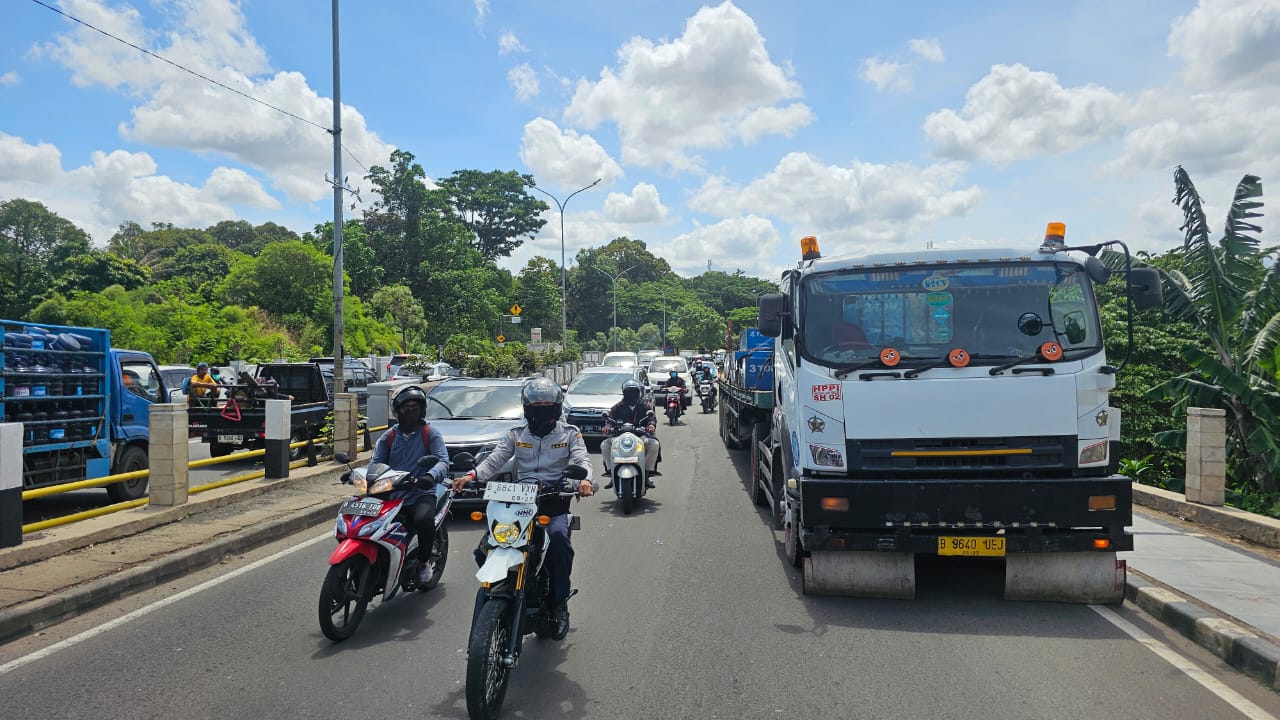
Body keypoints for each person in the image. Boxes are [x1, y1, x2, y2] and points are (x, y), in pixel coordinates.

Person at [452, 376, 595, 640]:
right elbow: (494, 460)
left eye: (547, 406)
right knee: (485, 548)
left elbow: (582, 461)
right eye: (536, 406)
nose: (542, 411)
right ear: (527, 409)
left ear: (557, 409)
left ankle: (559, 602)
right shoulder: (515, 435)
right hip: (517, 502)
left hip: (552, 501)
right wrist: (471, 477)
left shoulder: (569, 434)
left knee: (560, 541)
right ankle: (504, 585)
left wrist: (585, 480)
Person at [370, 385, 451, 585]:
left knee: (423, 520)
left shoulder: (430, 433)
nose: (411, 411)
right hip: (391, 492)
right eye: (406, 408)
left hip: (420, 491)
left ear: (422, 409)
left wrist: (431, 476)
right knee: (370, 524)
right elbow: (375, 462)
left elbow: (443, 461)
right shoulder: (388, 437)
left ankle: (423, 562)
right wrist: (364, 476)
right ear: (398, 411)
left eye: (415, 407)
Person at [601, 379, 660, 488]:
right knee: (605, 444)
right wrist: (607, 426)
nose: (631, 394)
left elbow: (652, 419)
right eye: (629, 392)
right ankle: (611, 472)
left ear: (638, 392)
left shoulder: (645, 405)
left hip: (640, 435)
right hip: (620, 436)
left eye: (634, 392)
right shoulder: (617, 407)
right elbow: (609, 418)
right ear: (624, 393)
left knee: (654, 444)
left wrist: (651, 425)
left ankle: (646, 473)